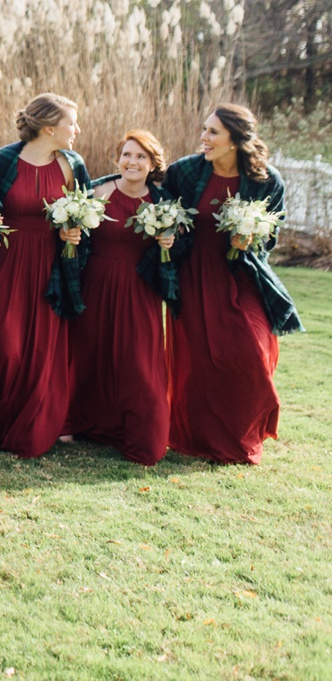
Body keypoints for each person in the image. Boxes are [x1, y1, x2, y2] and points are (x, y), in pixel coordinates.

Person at [166, 104, 302, 464]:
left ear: (235, 140)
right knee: (200, 361)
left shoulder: (266, 180)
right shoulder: (185, 171)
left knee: (249, 352)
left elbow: (271, 234)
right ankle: (203, 437)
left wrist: (251, 239)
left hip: (242, 274)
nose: (204, 138)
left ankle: (244, 433)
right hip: (194, 274)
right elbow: (157, 202)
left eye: (213, 132)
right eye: (204, 130)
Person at [0, 93, 90, 459]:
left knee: (43, 347)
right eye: (72, 123)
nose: (77, 130)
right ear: (49, 127)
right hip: (5, 264)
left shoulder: (73, 164)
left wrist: (75, 232)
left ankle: (37, 421)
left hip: (51, 265)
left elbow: (84, 213)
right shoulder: (0, 162)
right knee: (5, 346)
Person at [67, 130, 177, 466]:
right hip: (96, 282)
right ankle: (85, 422)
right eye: (127, 155)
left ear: (153, 164)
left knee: (138, 361)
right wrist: (68, 232)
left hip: (138, 288)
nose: (132, 162)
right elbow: (73, 234)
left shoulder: (162, 202)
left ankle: (143, 435)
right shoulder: (97, 191)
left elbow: (181, 245)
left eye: (141, 156)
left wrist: (168, 242)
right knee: (90, 353)